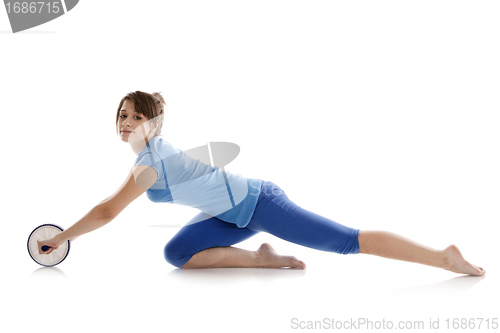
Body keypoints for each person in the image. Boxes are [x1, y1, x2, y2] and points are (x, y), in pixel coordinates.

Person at [37, 91, 485, 276]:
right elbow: (110, 205)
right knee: (176, 254)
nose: (127, 122)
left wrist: (60, 239)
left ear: (153, 126)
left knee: (347, 242)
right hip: (230, 217)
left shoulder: (149, 165)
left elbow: (107, 211)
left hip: (259, 203)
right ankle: (263, 259)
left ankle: (442, 258)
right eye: (122, 115)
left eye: (138, 117)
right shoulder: (150, 155)